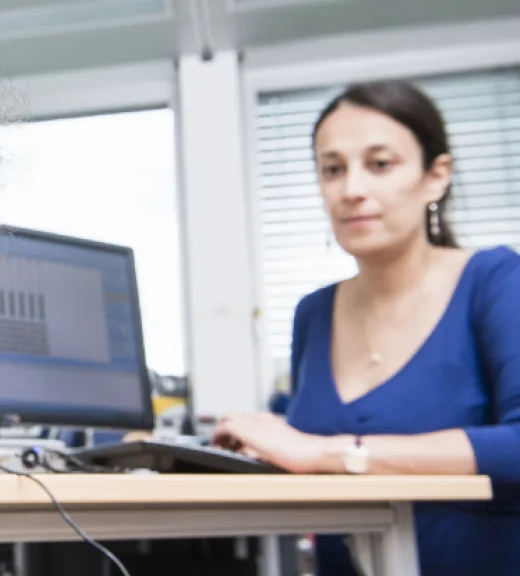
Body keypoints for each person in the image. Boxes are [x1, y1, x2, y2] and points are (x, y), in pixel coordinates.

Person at [212, 80, 520, 575]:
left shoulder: (494, 281)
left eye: (380, 164)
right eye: (332, 169)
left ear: (436, 177)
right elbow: (307, 451)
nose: (351, 189)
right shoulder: (314, 312)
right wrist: (267, 443)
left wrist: (324, 453)